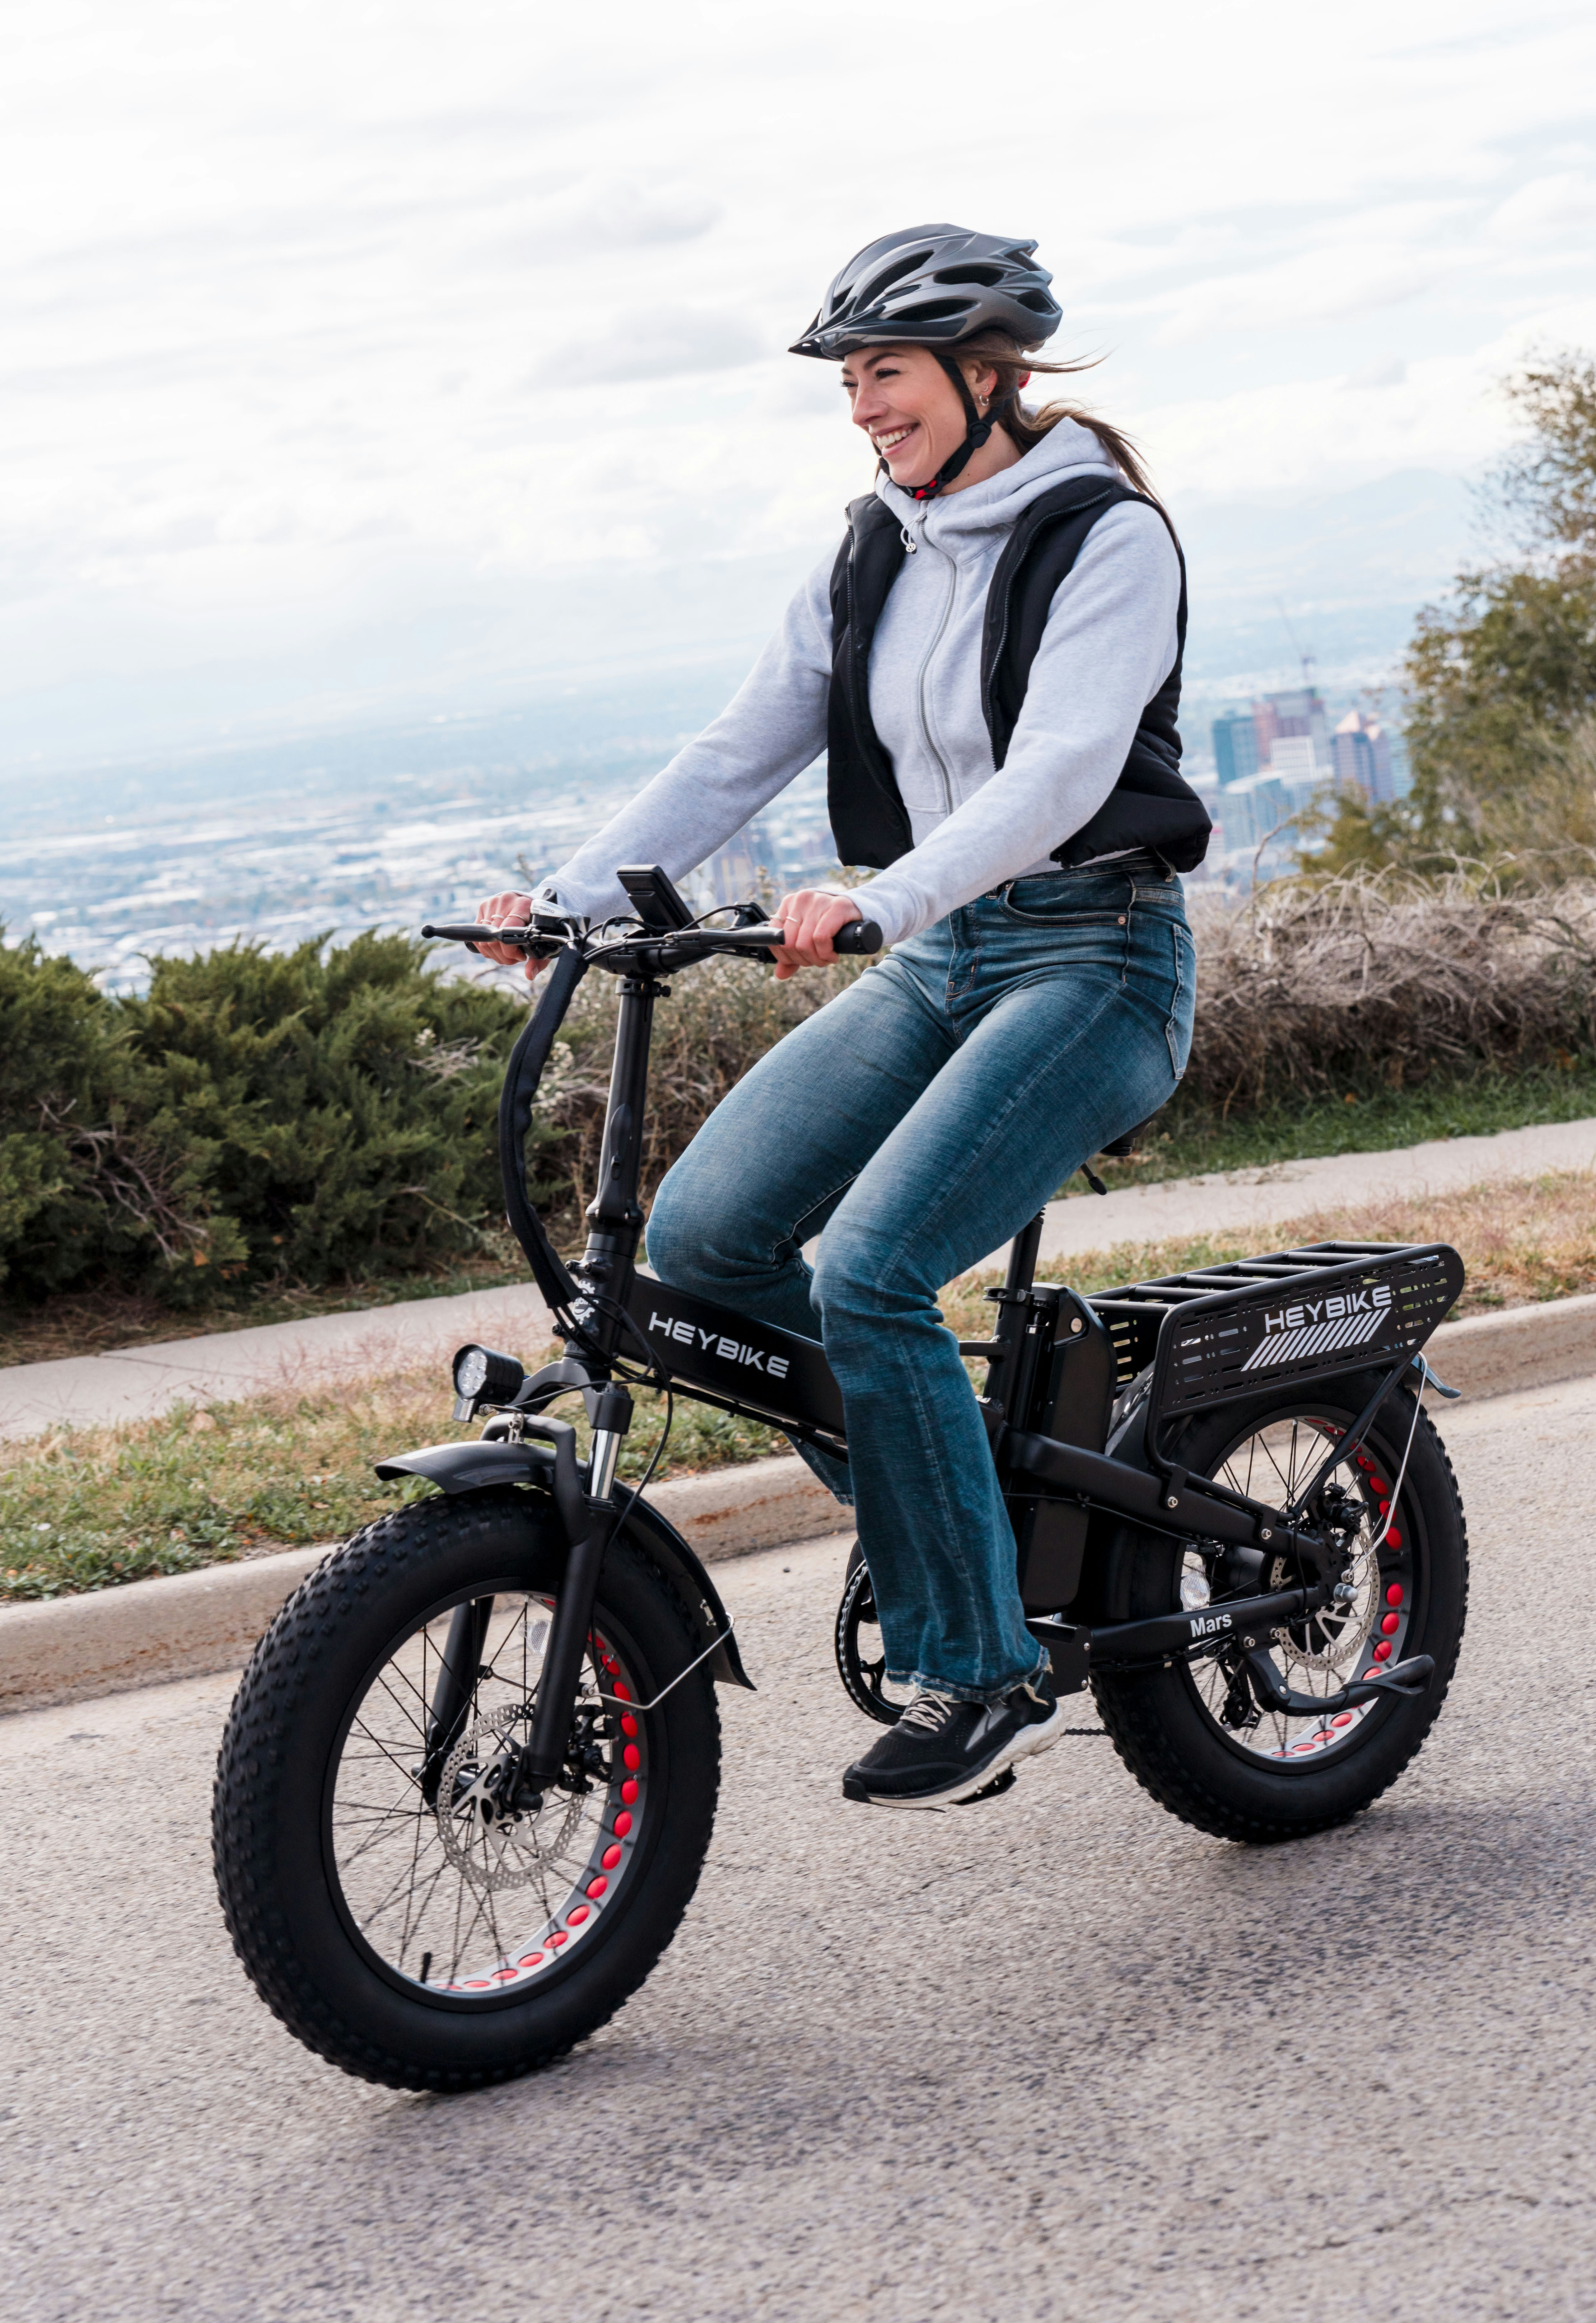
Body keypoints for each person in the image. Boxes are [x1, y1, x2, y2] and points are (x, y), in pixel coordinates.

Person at [475, 224, 1211, 1811]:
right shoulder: (868, 546)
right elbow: (741, 746)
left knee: (872, 1274)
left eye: (887, 373)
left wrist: (890, 898)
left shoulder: (1106, 534)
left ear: (988, 371)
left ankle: (985, 1664)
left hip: (1096, 958)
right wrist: (570, 898)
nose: (864, 405)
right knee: (716, 1237)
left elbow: (1064, 772)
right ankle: (956, 1539)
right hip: (944, 956)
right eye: (852, 378)